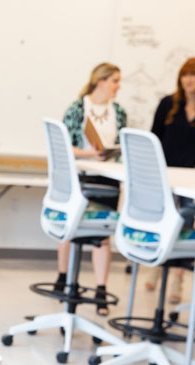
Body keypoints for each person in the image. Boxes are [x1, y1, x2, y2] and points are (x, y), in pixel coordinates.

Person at [147, 57, 195, 303]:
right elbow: (154, 139)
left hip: (194, 179)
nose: (188, 79)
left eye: (193, 75)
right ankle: (157, 265)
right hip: (166, 174)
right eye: (184, 75)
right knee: (164, 220)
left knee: (187, 224)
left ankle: (178, 278)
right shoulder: (167, 104)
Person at [60, 62, 127, 315]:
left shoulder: (118, 111)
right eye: (115, 81)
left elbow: (119, 143)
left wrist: (111, 155)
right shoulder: (78, 108)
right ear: (101, 81)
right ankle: (65, 279)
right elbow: (65, 145)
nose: (118, 86)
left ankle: (100, 288)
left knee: (102, 234)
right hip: (80, 176)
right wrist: (92, 153)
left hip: (108, 176)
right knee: (71, 229)